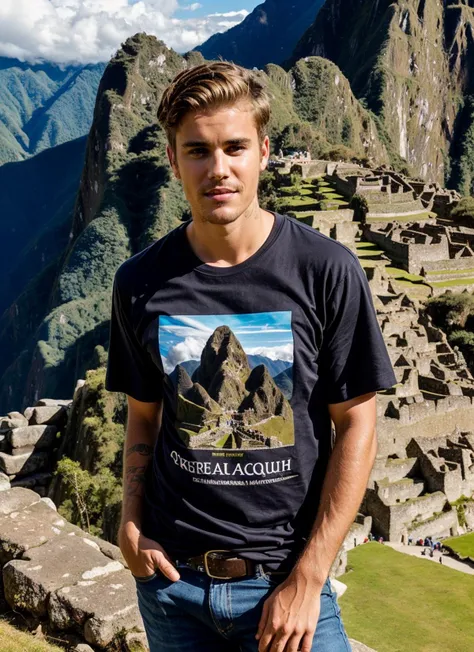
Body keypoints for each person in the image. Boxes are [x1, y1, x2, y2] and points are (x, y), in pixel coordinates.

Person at [105, 61, 397, 652]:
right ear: (173, 160)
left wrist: (310, 577)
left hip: (283, 582)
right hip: (172, 586)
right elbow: (144, 413)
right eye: (198, 151)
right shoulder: (139, 282)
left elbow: (358, 422)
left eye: (234, 147)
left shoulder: (324, 271)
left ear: (263, 151)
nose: (219, 169)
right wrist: (131, 523)